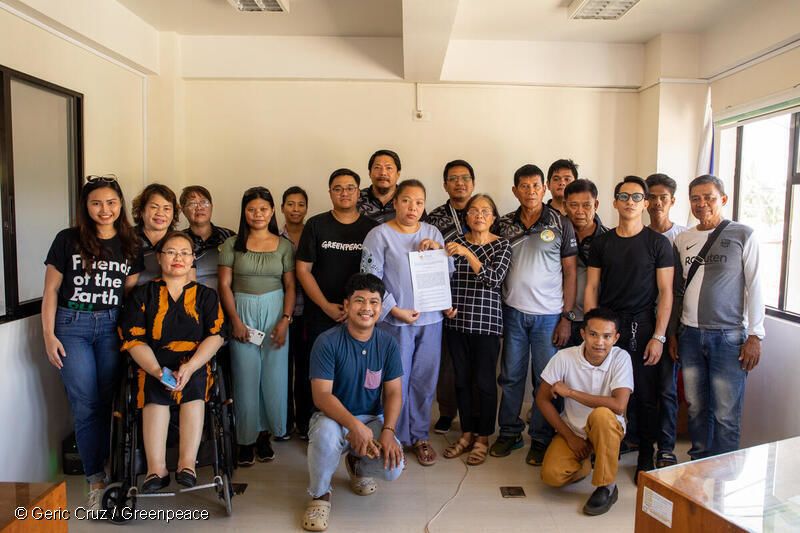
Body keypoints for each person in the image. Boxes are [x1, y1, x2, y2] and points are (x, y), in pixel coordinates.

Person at [42, 175, 143, 510]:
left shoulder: (130, 242)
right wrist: (48, 334)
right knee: (86, 405)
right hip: (72, 325)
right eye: (96, 203)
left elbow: (128, 293)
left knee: (110, 401)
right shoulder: (67, 240)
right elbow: (52, 291)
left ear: (120, 206)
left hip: (112, 326)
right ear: (85, 206)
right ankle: (95, 480)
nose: (105, 209)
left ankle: (116, 469)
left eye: (111, 202)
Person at [119, 231, 226, 492]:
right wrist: (157, 370)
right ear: (159, 258)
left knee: (194, 386)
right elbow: (134, 339)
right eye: (171, 252)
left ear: (192, 260)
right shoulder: (143, 294)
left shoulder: (206, 296)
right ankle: (156, 469)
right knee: (153, 391)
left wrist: (190, 367)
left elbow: (216, 336)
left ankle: (186, 463)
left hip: (194, 361)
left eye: (184, 253)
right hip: (153, 363)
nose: (178, 258)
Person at [584, 175, 674, 481]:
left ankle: (645, 454)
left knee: (645, 393)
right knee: (603, 387)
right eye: (624, 197)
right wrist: (589, 329)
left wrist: (659, 336)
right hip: (607, 325)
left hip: (642, 325)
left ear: (646, 203)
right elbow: (592, 285)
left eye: (637, 197)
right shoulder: (602, 242)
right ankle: (605, 446)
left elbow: (666, 293)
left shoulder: (658, 244)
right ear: (614, 202)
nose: (630, 202)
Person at [302, 273, 405, 532]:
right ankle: (320, 494)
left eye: (374, 302)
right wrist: (354, 426)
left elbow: (393, 392)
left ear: (381, 308)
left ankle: (358, 465)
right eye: (359, 301)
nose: (367, 308)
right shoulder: (327, 341)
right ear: (346, 305)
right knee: (325, 434)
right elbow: (321, 396)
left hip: (371, 419)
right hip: (332, 418)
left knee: (395, 467)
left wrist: (389, 431)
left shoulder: (388, 344)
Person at [361, 179, 453, 466]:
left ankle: (420, 435)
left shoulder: (432, 232)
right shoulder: (379, 235)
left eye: (419, 202)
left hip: (431, 320)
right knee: (395, 382)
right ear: (396, 203)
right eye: (406, 200)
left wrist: (438, 250)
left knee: (424, 380)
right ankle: (395, 436)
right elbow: (370, 281)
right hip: (395, 322)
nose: (413, 207)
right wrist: (393, 310)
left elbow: (446, 273)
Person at [671, 175, 764, 459]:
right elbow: (677, 291)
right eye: (696, 199)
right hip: (689, 335)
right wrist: (674, 333)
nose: (702, 204)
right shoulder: (683, 239)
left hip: (729, 337)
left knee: (725, 412)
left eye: (709, 197)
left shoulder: (743, 234)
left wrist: (755, 335)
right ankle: (699, 462)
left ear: (722, 199)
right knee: (696, 407)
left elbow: (756, 285)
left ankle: (724, 473)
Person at [492, 164, 578, 467]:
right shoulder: (503, 224)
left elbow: (570, 271)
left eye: (535, 186)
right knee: (511, 377)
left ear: (544, 189)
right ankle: (510, 432)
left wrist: (567, 316)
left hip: (549, 317)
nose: (530, 192)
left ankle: (541, 438)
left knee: (545, 380)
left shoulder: (561, 223)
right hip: (513, 312)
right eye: (524, 186)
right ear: (515, 190)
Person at [296, 169, 378, 437]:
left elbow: (377, 274)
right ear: (330, 192)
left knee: (355, 373)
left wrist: (358, 310)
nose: (344, 193)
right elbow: (303, 271)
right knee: (318, 372)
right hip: (322, 313)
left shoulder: (371, 228)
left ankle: (354, 426)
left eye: (350, 187)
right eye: (338, 188)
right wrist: (326, 306)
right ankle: (315, 427)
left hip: (360, 316)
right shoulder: (316, 225)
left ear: (359, 192)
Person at [218, 187, 296, 465]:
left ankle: (266, 435)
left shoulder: (284, 245)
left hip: (276, 311)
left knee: (274, 377)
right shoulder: (231, 244)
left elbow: (290, 286)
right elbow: (224, 285)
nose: (258, 214)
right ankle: (245, 440)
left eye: (263, 209)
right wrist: (235, 320)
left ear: (273, 211)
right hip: (242, 310)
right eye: (252, 209)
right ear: (244, 212)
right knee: (245, 377)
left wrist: (285, 320)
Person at [537, 307, 633, 516]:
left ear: (616, 338)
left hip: (608, 426)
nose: (599, 342)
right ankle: (586, 463)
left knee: (601, 414)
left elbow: (618, 405)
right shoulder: (564, 357)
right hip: (575, 429)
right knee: (551, 476)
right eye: (593, 334)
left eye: (607, 336)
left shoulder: (621, 358)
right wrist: (569, 437)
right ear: (582, 334)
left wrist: (570, 392)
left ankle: (607, 486)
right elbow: (542, 399)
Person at [441, 194, 511, 465]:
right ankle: (466, 432)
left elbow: (492, 279)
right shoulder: (452, 244)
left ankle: (483, 437)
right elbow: (443, 279)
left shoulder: (502, 245)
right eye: (473, 211)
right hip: (456, 322)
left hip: (487, 325)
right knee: (461, 380)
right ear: (466, 216)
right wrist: (444, 304)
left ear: (493, 217)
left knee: (483, 382)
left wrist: (468, 253)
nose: (479, 215)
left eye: (485, 211)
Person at [424, 159, 476, 434]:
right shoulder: (433, 218)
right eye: (453, 178)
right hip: (445, 295)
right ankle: (446, 412)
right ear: (445, 185)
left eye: (465, 178)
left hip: (479, 295)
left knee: (476, 360)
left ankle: (475, 416)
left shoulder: (486, 211)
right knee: (446, 362)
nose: (459, 183)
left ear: (473, 183)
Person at [644, 173, 687, 468]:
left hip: (672, 325)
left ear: (672, 201)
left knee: (668, 389)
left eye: (664, 197)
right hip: (642, 320)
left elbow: (678, 290)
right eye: (653, 197)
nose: (658, 203)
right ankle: (637, 438)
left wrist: (670, 332)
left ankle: (667, 447)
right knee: (640, 386)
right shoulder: (638, 235)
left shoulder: (683, 239)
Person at [563, 179, 609, 347]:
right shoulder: (556, 235)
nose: (580, 211)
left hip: (596, 321)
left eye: (586, 205)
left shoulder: (608, 238)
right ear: (565, 205)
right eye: (574, 205)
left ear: (596, 204)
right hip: (559, 318)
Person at [279, 185, 309, 440]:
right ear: (282, 208)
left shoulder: (314, 233)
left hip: (309, 312)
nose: (295, 209)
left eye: (300, 204)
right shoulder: (274, 237)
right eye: (290, 204)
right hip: (281, 312)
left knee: (305, 369)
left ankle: (305, 422)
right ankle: (283, 422)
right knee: (282, 370)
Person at [180, 185, 235, 291]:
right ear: (183, 210)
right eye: (192, 204)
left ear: (211, 206)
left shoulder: (228, 236)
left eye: (204, 202)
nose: (199, 207)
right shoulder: (179, 240)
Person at [132, 183, 181, 285]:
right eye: (154, 207)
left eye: (167, 208)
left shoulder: (180, 241)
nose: (160, 213)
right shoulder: (126, 237)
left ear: (174, 213)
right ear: (141, 211)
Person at [357, 149, 401, 224]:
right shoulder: (356, 199)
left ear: (398, 174)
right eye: (377, 167)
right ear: (369, 173)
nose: (383, 173)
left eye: (389, 168)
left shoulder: (410, 199)